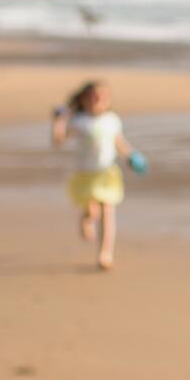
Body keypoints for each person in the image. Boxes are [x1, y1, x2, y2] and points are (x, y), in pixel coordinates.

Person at [51, 81, 146, 270]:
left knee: (107, 210)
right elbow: (59, 139)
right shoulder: (79, 121)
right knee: (92, 210)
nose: (98, 100)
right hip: (85, 174)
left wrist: (131, 156)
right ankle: (86, 218)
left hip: (106, 173)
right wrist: (59, 121)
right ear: (84, 100)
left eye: (103, 96)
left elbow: (119, 143)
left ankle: (105, 253)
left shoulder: (112, 120)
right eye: (94, 96)